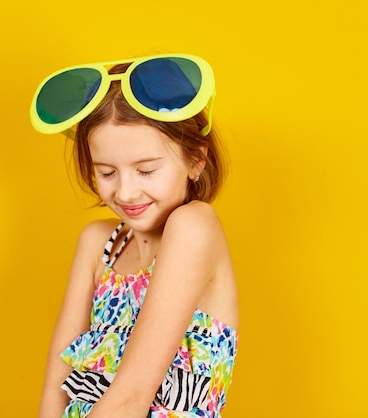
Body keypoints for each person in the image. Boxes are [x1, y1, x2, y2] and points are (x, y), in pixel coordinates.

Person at [30, 54, 239, 418]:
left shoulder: (194, 227)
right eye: (108, 172)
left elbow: (132, 395)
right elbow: (56, 383)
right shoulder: (97, 244)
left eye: (145, 170)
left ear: (196, 160)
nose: (125, 193)